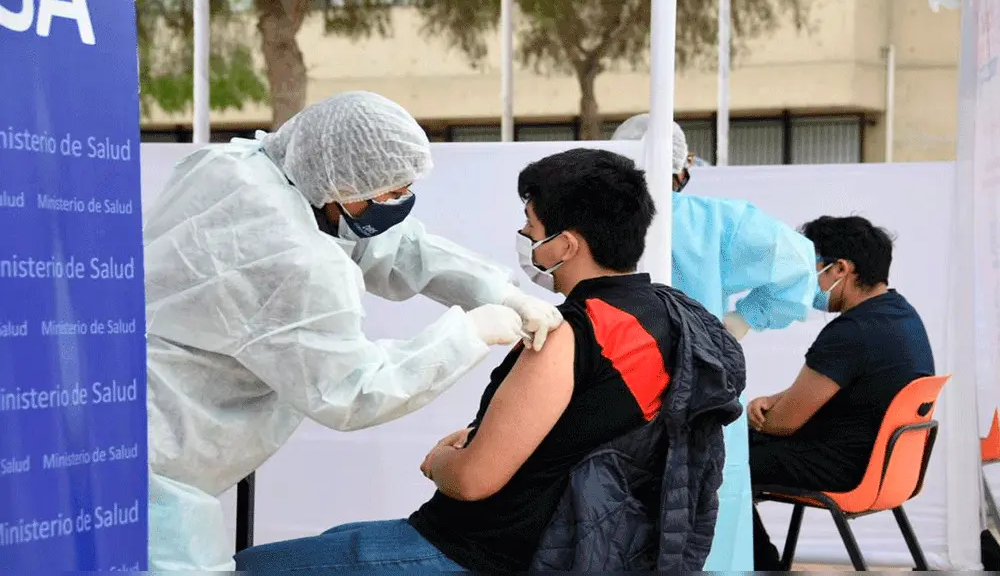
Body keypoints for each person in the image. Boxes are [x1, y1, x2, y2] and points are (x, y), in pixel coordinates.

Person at [234, 148, 745, 573]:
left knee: (247, 566)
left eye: (531, 224)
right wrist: (485, 435)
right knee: (339, 538)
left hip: (480, 552)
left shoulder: (570, 331)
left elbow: (474, 480)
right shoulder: (672, 316)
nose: (525, 237)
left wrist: (439, 461)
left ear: (565, 244)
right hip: (571, 549)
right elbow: (587, 429)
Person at [143, 91, 564, 571]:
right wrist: (468, 334)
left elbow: (396, 248)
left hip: (125, 407)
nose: (397, 203)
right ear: (337, 182)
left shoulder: (239, 168)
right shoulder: (291, 260)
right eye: (385, 192)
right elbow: (355, 391)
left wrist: (498, 291)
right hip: (160, 453)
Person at [611, 114, 818, 571]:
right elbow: (800, 264)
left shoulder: (596, 225)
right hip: (701, 387)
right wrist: (741, 321)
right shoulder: (717, 223)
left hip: (617, 386)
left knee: (611, 519)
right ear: (681, 169)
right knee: (708, 520)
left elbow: (538, 263)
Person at [748, 215, 935, 570]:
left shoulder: (850, 332)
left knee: (716, 462)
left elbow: (783, 425)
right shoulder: (900, 315)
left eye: (811, 267)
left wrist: (757, 418)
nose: (807, 280)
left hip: (841, 468)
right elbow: (845, 381)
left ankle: (763, 567)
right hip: (883, 467)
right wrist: (777, 399)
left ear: (840, 269)